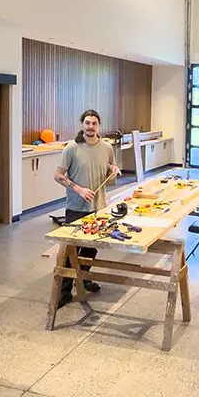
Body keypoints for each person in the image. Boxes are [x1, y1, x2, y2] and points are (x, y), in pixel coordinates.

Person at [53, 109, 121, 307]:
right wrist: (79, 189)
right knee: (70, 250)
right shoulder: (72, 148)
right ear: (82, 124)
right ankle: (64, 291)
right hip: (76, 207)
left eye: (94, 123)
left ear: (99, 126)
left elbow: (110, 177)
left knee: (91, 249)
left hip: (99, 207)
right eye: (87, 123)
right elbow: (58, 175)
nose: (91, 127)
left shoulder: (107, 148)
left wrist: (114, 171)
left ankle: (83, 278)